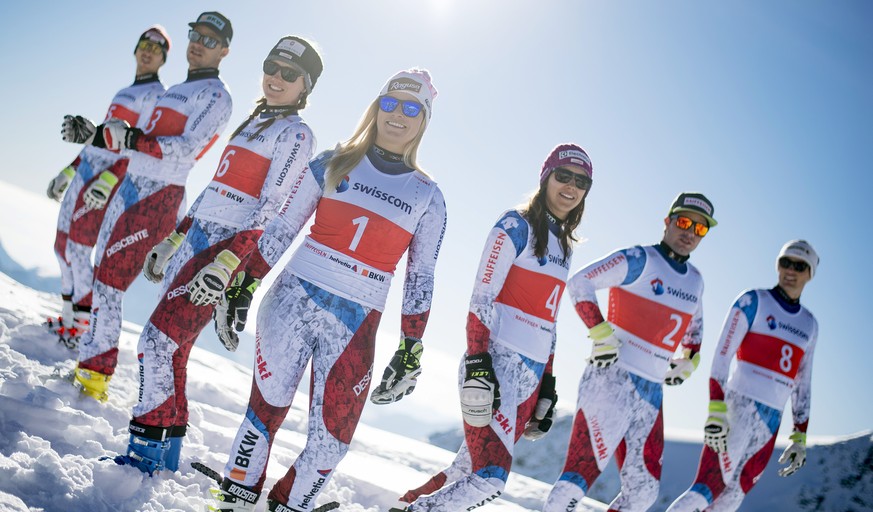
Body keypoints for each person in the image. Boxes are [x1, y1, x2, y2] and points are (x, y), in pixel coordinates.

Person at [206, 69, 445, 512]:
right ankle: (232, 504)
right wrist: (245, 284)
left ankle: (285, 504)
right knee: (263, 415)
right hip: (292, 298)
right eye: (390, 103)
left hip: (358, 322)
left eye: (411, 108)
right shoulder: (333, 161)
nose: (398, 115)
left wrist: (411, 347)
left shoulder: (429, 196)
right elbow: (282, 227)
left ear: (424, 120)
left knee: (332, 443)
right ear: (376, 107)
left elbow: (421, 278)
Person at [108, 36, 323, 477]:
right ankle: (161, 458)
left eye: (289, 74)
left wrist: (228, 264)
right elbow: (215, 188)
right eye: (272, 67)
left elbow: (272, 205)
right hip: (198, 240)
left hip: (223, 250)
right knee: (174, 350)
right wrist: (174, 239)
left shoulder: (297, 133)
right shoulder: (254, 122)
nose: (276, 78)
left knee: (155, 343)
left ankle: (143, 455)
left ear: (305, 86)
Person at [392, 144, 594, 512]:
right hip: (496, 365)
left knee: (467, 468)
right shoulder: (515, 226)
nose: (571, 186)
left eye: (581, 181)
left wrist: (548, 381)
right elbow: (481, 298)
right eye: (563, 175)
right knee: (491, 477)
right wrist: (479, 363)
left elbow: (550, 321)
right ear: (547, 177)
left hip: (530, 376)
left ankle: (403, 504)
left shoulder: (565, 245)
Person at [61, 11, 234, 402]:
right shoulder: (172, 89)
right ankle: (89, 369)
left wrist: (133, 139)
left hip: (158, 197)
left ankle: (96, 380)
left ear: (224, 51)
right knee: (101, 277)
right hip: (129, 187)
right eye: (196, 34)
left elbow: (186, 150)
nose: (199, 43)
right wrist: (91, 134)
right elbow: (131, 139)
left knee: (110, 286)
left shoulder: (216, 96)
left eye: (210, 40)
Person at [544, 192, 717, 512]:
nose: (690, 232)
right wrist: (600, 332)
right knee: (579, 475)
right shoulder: (641, 258)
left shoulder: (695, 281)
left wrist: (688, 362)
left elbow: (694, 335)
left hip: (651, 393)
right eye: (683, 222)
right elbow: (580, 283)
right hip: (610, 380)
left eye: (700, 229)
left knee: (643, 493)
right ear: (667, 222)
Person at [666, 240, 820, 512]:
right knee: (706, 489)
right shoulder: (753, 301)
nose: (790, 270)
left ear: (810, 274)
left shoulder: (809, 324)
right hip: (738, 408)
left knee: (732, 499)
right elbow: (722, 356)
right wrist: (716, 408)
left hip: (771, 422)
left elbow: (802, 382)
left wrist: (799, 436)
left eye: (799, 265)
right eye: (785, 262)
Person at [46, 25, 170, 345]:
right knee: (62, 247)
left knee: (78, 249)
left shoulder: (157, 96)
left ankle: (81, 330)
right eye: (144, 44)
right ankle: (69, 318)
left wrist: (110, 179)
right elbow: (97, 139)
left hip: (105, 180)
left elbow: (137, 146)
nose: (148, 51)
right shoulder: (123, 92)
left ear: (164, 58)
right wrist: (69, 170)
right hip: (86, 171)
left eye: (157, 49)